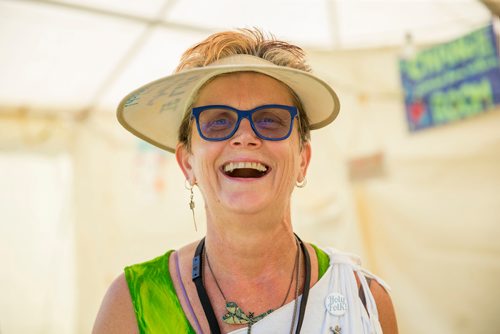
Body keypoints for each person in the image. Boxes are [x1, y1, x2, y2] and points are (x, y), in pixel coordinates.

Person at [92, 28, 398, 334]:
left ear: (302, 160)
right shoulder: (133, 305)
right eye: (218, 122)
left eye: (270, 120)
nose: (245, 136)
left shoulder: (363, 301)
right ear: (188, 163)